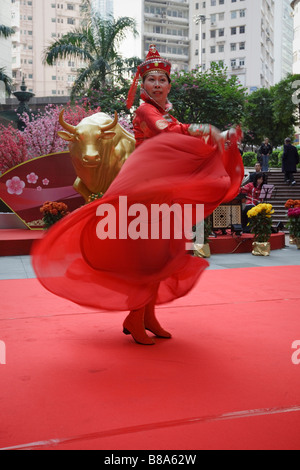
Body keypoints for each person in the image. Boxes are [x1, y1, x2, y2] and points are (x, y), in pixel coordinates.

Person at [31, 45, 244, 346]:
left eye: (162, 80)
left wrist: (215, 138)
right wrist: (209, 130)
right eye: (151, 80)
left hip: (160, 190)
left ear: (169, 84)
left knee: (160, 255)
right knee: (146, 257)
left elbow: (176, 134)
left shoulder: (160, 110)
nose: (157, 85)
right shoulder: (147, 111)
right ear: (142, 85)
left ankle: (148, 315)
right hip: (143, 192)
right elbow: (169, 131)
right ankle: (134, 316)